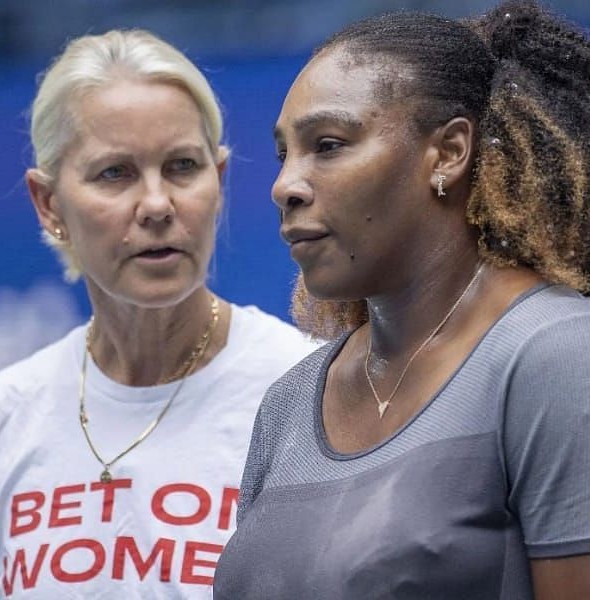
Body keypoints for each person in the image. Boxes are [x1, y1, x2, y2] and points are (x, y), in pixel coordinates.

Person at [214, 2, 590, 598]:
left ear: (448, 153)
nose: (284, 186)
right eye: (286, 152)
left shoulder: (557, 355)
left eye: (329, 144)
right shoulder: (287, 404)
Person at [0, 30, 318, 598]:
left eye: (182, 166)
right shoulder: (7, 416)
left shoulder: (310, 392)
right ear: (48, 205)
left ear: (218, 182)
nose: (157, 205)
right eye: (114, 173)